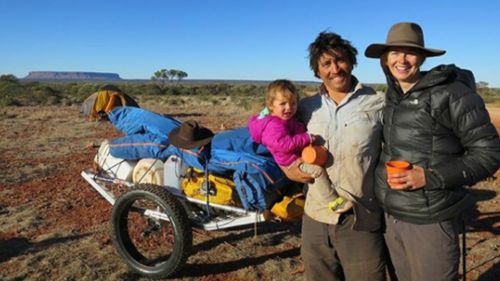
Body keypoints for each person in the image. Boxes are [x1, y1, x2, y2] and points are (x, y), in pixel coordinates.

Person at [365, 22, 500, 281]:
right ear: (385, 59)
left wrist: (430, 177)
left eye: (410, 52)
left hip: (431, 219)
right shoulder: (393, 96)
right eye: (394, 52)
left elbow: (489, 154)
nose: (401, 59)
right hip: (392, 216)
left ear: (422, 57)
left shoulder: (453, 94)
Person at [294, 31, 386, 281]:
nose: (335, 69)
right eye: (326, 63)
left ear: (351, 62)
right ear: (317, 70)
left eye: (340, 60)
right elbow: (274, 137)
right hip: (316, 216)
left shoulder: (377, 103)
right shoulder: (304, 108)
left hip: (361, 216)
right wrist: (287, 170)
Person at [248, 79, 352, 213]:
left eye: (293, 103)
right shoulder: (274, 125)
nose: (289, 108)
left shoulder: (282, 119)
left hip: (293, 156)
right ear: (271, 105)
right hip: (290, 161)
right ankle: (332, 201)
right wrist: (306, 137)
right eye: (283, 104)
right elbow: (283, 144)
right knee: (317, 171)